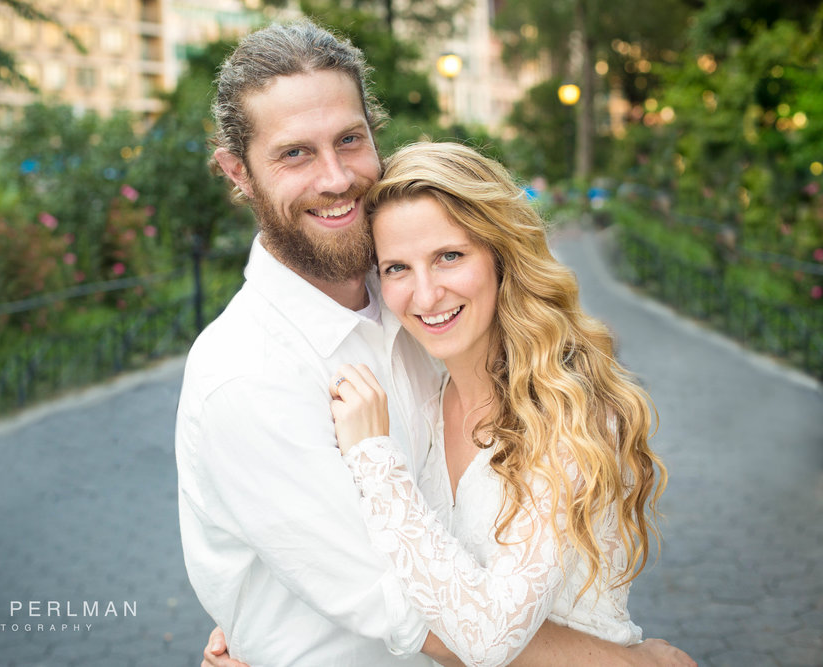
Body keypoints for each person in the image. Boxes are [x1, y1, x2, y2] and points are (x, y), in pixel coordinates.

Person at [177, 18, 695, 667]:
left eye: (349, 139)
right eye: (294, 153)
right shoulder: (247, 375)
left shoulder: (407, 302)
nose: (336, 177)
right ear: (238, 171)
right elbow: (412, 610)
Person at [327, 141, 673, 665]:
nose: (425, 296)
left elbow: (489, 639)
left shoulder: (569, 410)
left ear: (500, 254)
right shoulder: (424, 397)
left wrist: (375, 460)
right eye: (397, 268)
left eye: (449, 256)